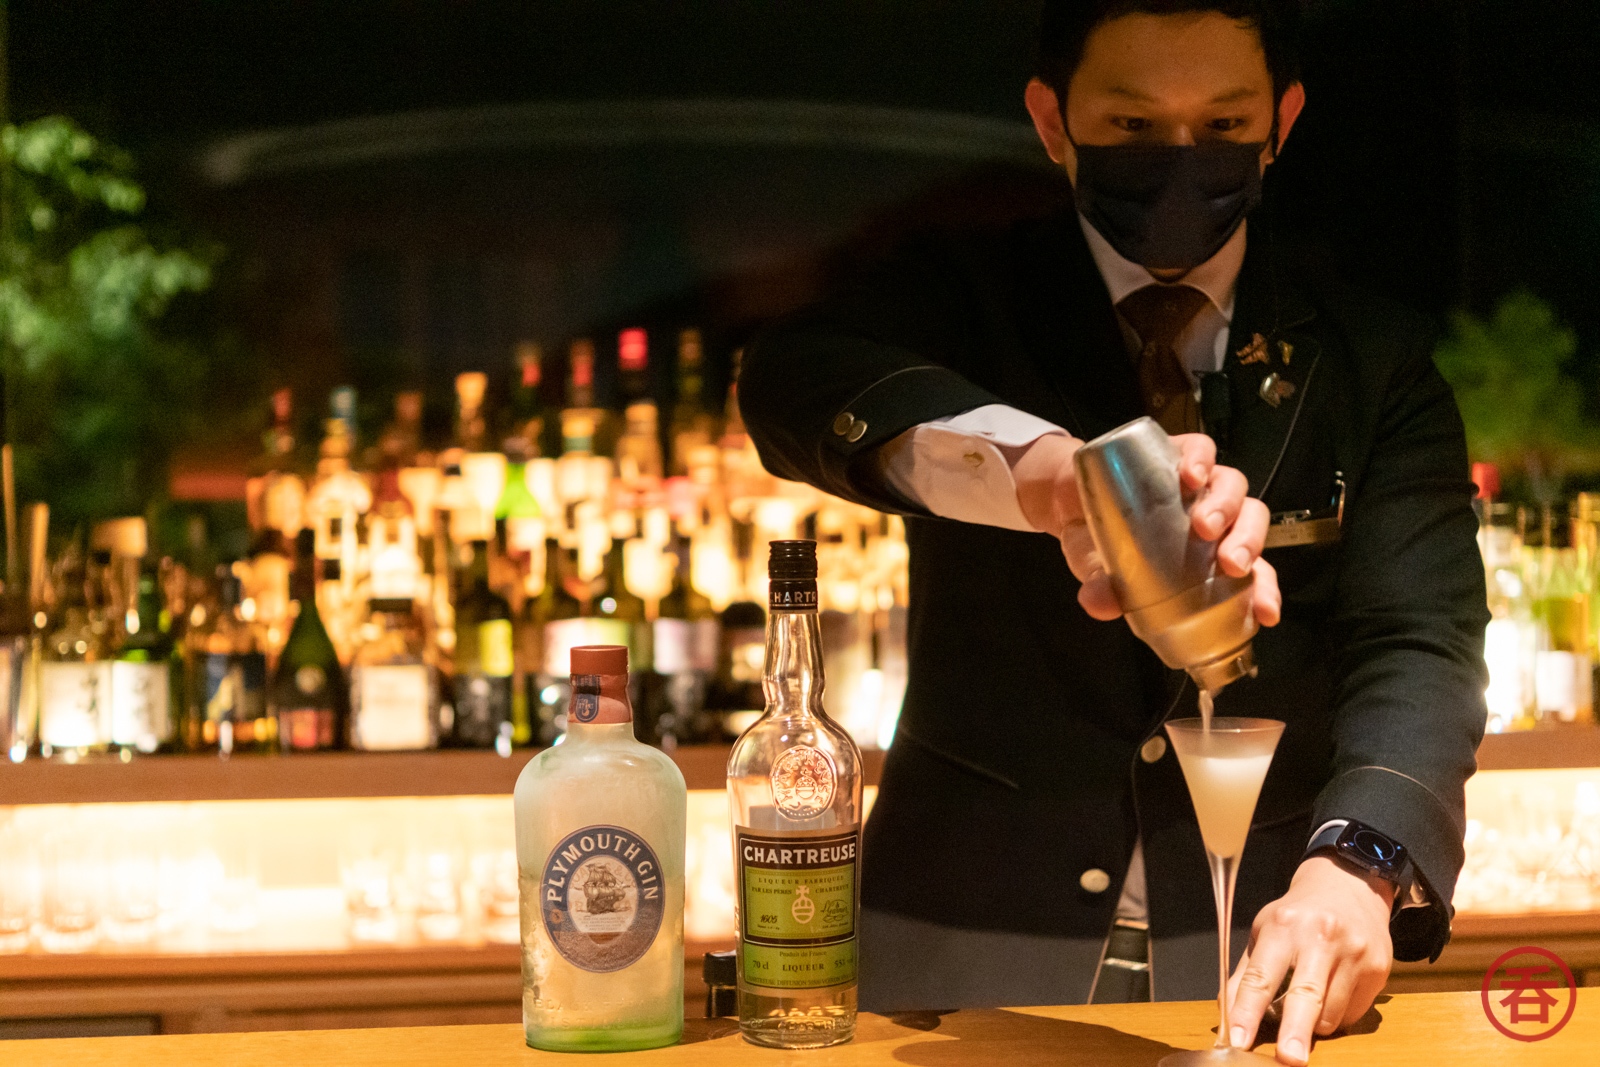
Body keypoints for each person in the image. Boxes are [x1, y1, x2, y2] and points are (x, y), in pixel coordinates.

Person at [737, 2, 1488, 1065]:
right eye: (1133, 127)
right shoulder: (965, 295)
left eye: (1223, 125)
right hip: (966, 936)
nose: (1180, 157)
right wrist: (1041, 472)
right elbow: (788, 380)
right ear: (1054, 121)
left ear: (1281, 122)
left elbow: (1422, 640)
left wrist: (1359, 863)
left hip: (1263, 941)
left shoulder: (1372, 356)